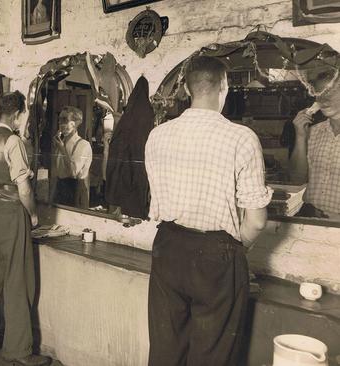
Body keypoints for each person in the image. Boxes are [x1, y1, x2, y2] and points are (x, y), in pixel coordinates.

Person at [144, 56, 272, 366]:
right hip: (217, 255)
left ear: (187, 88)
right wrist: (232, 247)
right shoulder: (241, 138)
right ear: (224, 87)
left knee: (165, 349)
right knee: (212, 354)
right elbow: (255, 222)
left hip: (168, 247)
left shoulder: (157, 135)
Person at [0, 91, 51, 366]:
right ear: (17, 114)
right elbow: (24, 188)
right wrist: (32, 216)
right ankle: (19, 350)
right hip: (11, 212)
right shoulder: (13, 141)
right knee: (17, 281)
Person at [291, 71, 340, 218]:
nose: (323, 98)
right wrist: (300, 136)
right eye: (318, 93)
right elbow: (297, 179)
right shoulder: (314, 132)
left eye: (330, 92)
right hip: (310, 217)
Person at [52, 106, 93, 208]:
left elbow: (73, 172)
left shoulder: (83, 145)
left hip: (75, 192)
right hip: (60, 189)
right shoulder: (61, 143)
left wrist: (62, 149)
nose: (61, 124)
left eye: (64, 120)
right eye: (59, 120)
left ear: (74, 124)